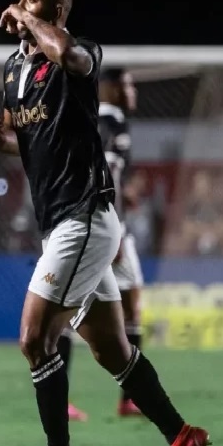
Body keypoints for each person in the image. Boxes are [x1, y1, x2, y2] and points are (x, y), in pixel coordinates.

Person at [0, 0, 209, 446]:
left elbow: (65, 53)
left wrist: (27, 20)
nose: (19, 6)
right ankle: (183, 438)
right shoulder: (14, 70)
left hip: (84, 215)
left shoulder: (79, 54)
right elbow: (37, 144)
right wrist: (5, 142)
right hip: (62, 222)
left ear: (57, 10)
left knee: (35, 340)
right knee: (111, 349)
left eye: (33, 0)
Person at [56, 67, 146, 420]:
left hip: (94, 223)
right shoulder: (111, 124)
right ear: (110, 89)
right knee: (127, 305)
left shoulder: (98, 122)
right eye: (128, 84)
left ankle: (126, 398)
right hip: (106, 227)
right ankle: (129, 398)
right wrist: (116, 227)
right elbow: (101, 175)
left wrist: (124, 196)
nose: (133, 90)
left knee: (68, 310)